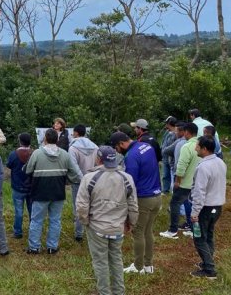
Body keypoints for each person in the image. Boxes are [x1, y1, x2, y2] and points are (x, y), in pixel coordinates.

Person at [76, 146, 138, 295]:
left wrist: (85, 222)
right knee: (116, 259)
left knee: (100, 262)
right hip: (118, 227)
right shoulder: (126, 178)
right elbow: (133, 205)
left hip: (96, 227)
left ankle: (104, 292)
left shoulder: (89, 178)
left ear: (98, 159)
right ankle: (119, 292)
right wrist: (131, 223)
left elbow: (81, 206)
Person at [24, 128, 82, 254]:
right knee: (55, 220)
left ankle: (34, 247)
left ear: (45, 138)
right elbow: (75, 174)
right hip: (58, 192)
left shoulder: (37, 154)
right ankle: (52, 247)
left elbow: (28, 170)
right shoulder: (65, 154)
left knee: (37, 220)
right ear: (57, 140)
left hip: (40, 192)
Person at [110, 132, 161, 274]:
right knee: (148, 231)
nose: (116, 151)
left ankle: (138, 267)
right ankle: (148, 265)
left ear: (121, 143)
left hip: (144, 198)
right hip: (156, 196)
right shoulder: (146, 146)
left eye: (116, 148)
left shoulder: (131, 156)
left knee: (138, 232)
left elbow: (130, 183)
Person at [190, 135, 226, 279]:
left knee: (199, 238)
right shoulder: (220, 162)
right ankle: (207, 261)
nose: (195, 148)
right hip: (217, 207)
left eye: (197, 146)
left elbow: (199, 192)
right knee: (209, 235)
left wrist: (194, 213)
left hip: (205, 208)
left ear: (204, 149)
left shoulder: (203, 167)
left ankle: (209, 270)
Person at [160, 122, 200, 239]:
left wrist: (177, 181)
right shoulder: (200, 145)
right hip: (195, 182)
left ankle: (173, 230)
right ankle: (192, 229)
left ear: (187, 132)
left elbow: (181, 166)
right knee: (190, 204)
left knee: (175, 204)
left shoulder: (186, 146)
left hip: (184, 182)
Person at [68, 124, 98, 242]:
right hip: (93, 180)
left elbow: (73, 166)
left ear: (75, 133)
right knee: (93, 206)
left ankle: (79, 234)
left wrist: (82, 179)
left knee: (78, 206)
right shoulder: (95, 147)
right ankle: (93, 230)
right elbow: (98, 164)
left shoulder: (73, 148)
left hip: (77, 182)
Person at [6, 132, 33, 239]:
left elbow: (9, 166)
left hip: (17, 187)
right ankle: (33, 230)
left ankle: (18, 232)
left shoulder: (13, 154)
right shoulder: (34, 154)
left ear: (20, 141)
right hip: (31, 187)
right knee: (32, 211)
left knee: (18, 211)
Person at [161, 116, 178, 194]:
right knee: (165, 175)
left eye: (166, 123)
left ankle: (173, 190)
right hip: (165, 158)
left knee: (172, 175)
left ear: (169, 124)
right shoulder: (167, 132)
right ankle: (165, 190)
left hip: (171, 158)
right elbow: (163, 143)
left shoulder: (176, 134)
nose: (165, 125)